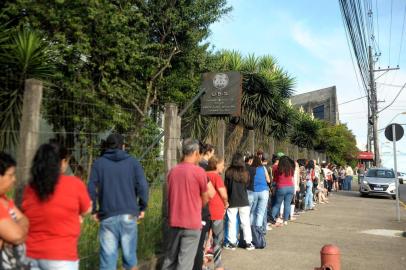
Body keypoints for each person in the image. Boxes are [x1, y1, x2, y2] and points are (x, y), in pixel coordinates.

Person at [22, 143, 91, 270]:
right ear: (62, 162)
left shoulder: (29, 189)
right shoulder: (74, 184)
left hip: (30, 255)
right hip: (61, 256)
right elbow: (87, 209)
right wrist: (77, 215)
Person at [88, 134, 149, 270]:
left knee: (108, 263)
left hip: (107, 215)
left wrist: (93, 210)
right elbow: (143, 186)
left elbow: (91, 188)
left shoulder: (99, 163)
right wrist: (142, 207)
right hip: (129, 214)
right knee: (130, 260)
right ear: (123, 146)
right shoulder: (133, 162)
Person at [162, 139, 209, 270]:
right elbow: (205, 198)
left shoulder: (172, 172)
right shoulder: (199, 172)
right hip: (192, 223)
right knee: (185, 262)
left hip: (174, 221)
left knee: (170, 259)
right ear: (195, 153)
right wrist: (196, 205)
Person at [0, 152, 29, 268]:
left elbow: (24, 219)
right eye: (10, 175)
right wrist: (20, 231)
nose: (14, 179)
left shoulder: (4, 199)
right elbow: (16, 236)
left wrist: (18, 230)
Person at [224, 153, 254, 251]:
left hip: (232, 199)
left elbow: (226, 186)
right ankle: (248, 243)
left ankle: (232, 243)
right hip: (244, 200)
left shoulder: (228, 172)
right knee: (246, 222)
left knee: (231, 222)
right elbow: (247, 185)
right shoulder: (245, 172)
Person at [207, 156, 228, 270]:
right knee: (217, 239)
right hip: (216, 211)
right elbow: (223, 193)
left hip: (204, 211)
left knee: (204, 240)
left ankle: (202, 263)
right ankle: (218, 265)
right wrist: (226, 202)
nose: (223, 167)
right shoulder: (216, 177)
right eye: (222, 165)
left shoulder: (204, 175)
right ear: (216, 165)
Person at [270, 156, 295, 225]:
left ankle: (271, 218)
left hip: (281, 188)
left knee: (277, 204)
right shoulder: (291, 169)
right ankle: (285, 220)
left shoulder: (277, 169)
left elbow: (275, 179)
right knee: (287, 204)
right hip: (290, 187)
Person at [247, 156, 271, 229]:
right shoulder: (263, 168)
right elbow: (268, 180)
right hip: (263, 191)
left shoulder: (250, 169)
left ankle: (251, 229)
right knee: (260, 213)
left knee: (252, 212)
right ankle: (258, 230)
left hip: (253, 191)